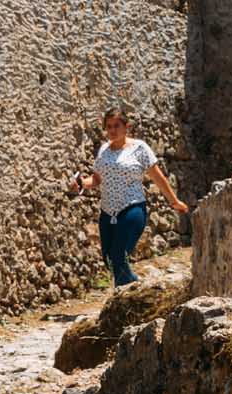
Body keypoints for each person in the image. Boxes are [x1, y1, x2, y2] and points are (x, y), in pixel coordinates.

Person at [69, 106, 187, 286]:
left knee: (118, 256)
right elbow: (97, 178)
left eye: (116, 125)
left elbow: (157, 177)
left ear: (126, 127)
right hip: (108, 212)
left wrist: (174, 201)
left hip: (132, 208)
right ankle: (135, 287)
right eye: (109, 126)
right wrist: (81, 183)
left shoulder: (139, 148)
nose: (112, 130)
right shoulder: (104, 150)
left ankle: (125, 297)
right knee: (109, 259)